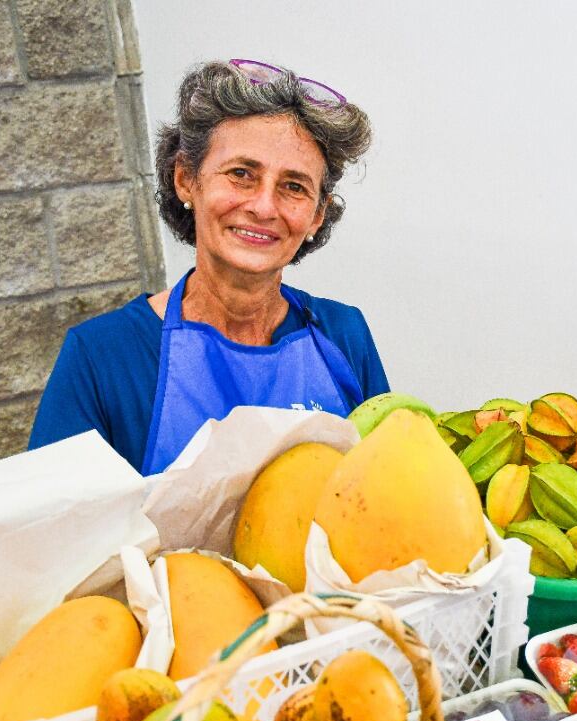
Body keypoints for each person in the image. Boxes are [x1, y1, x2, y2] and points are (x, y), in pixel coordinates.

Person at [30, 59, 388, 474]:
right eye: (241, 174)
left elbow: (388, 492)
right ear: (186, 179)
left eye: (294, 187)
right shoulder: (103, 357)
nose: (263, 206)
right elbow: (55, 531)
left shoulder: (343, 335)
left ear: (317, 215)